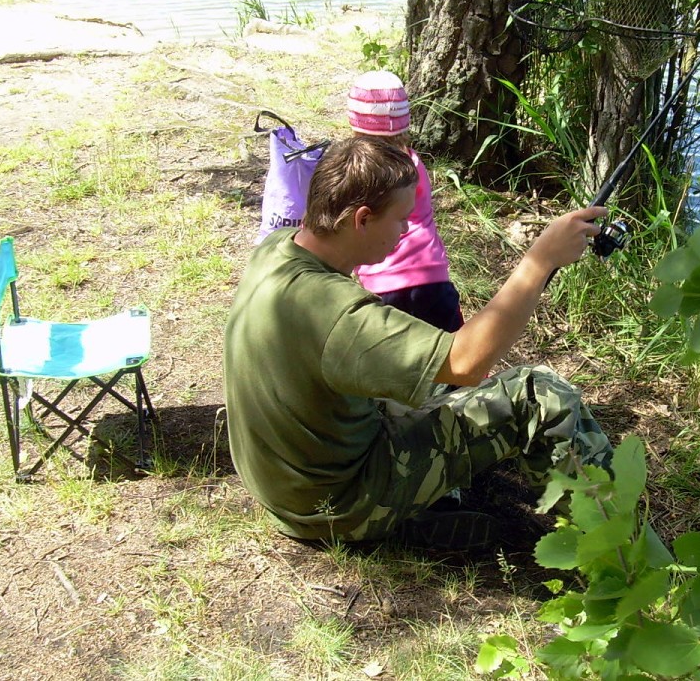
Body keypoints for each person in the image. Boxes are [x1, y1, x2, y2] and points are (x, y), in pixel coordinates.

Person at [223, 135, 612, 548]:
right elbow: (467, 363)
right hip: (337, 508)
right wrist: (541, 260)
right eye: (401, 218)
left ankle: (440, 506)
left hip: (289, 492)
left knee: (439, 377)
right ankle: (618, 548)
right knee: (538, 395)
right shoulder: (335, 313)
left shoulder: (277, 249)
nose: (408, 229)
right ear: (362, 219)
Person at [346, 70, 463, 332]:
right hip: (431, 275)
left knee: (393, 363)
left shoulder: (357, 173)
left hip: (382, 283)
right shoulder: (412, 164)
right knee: (450, 356)